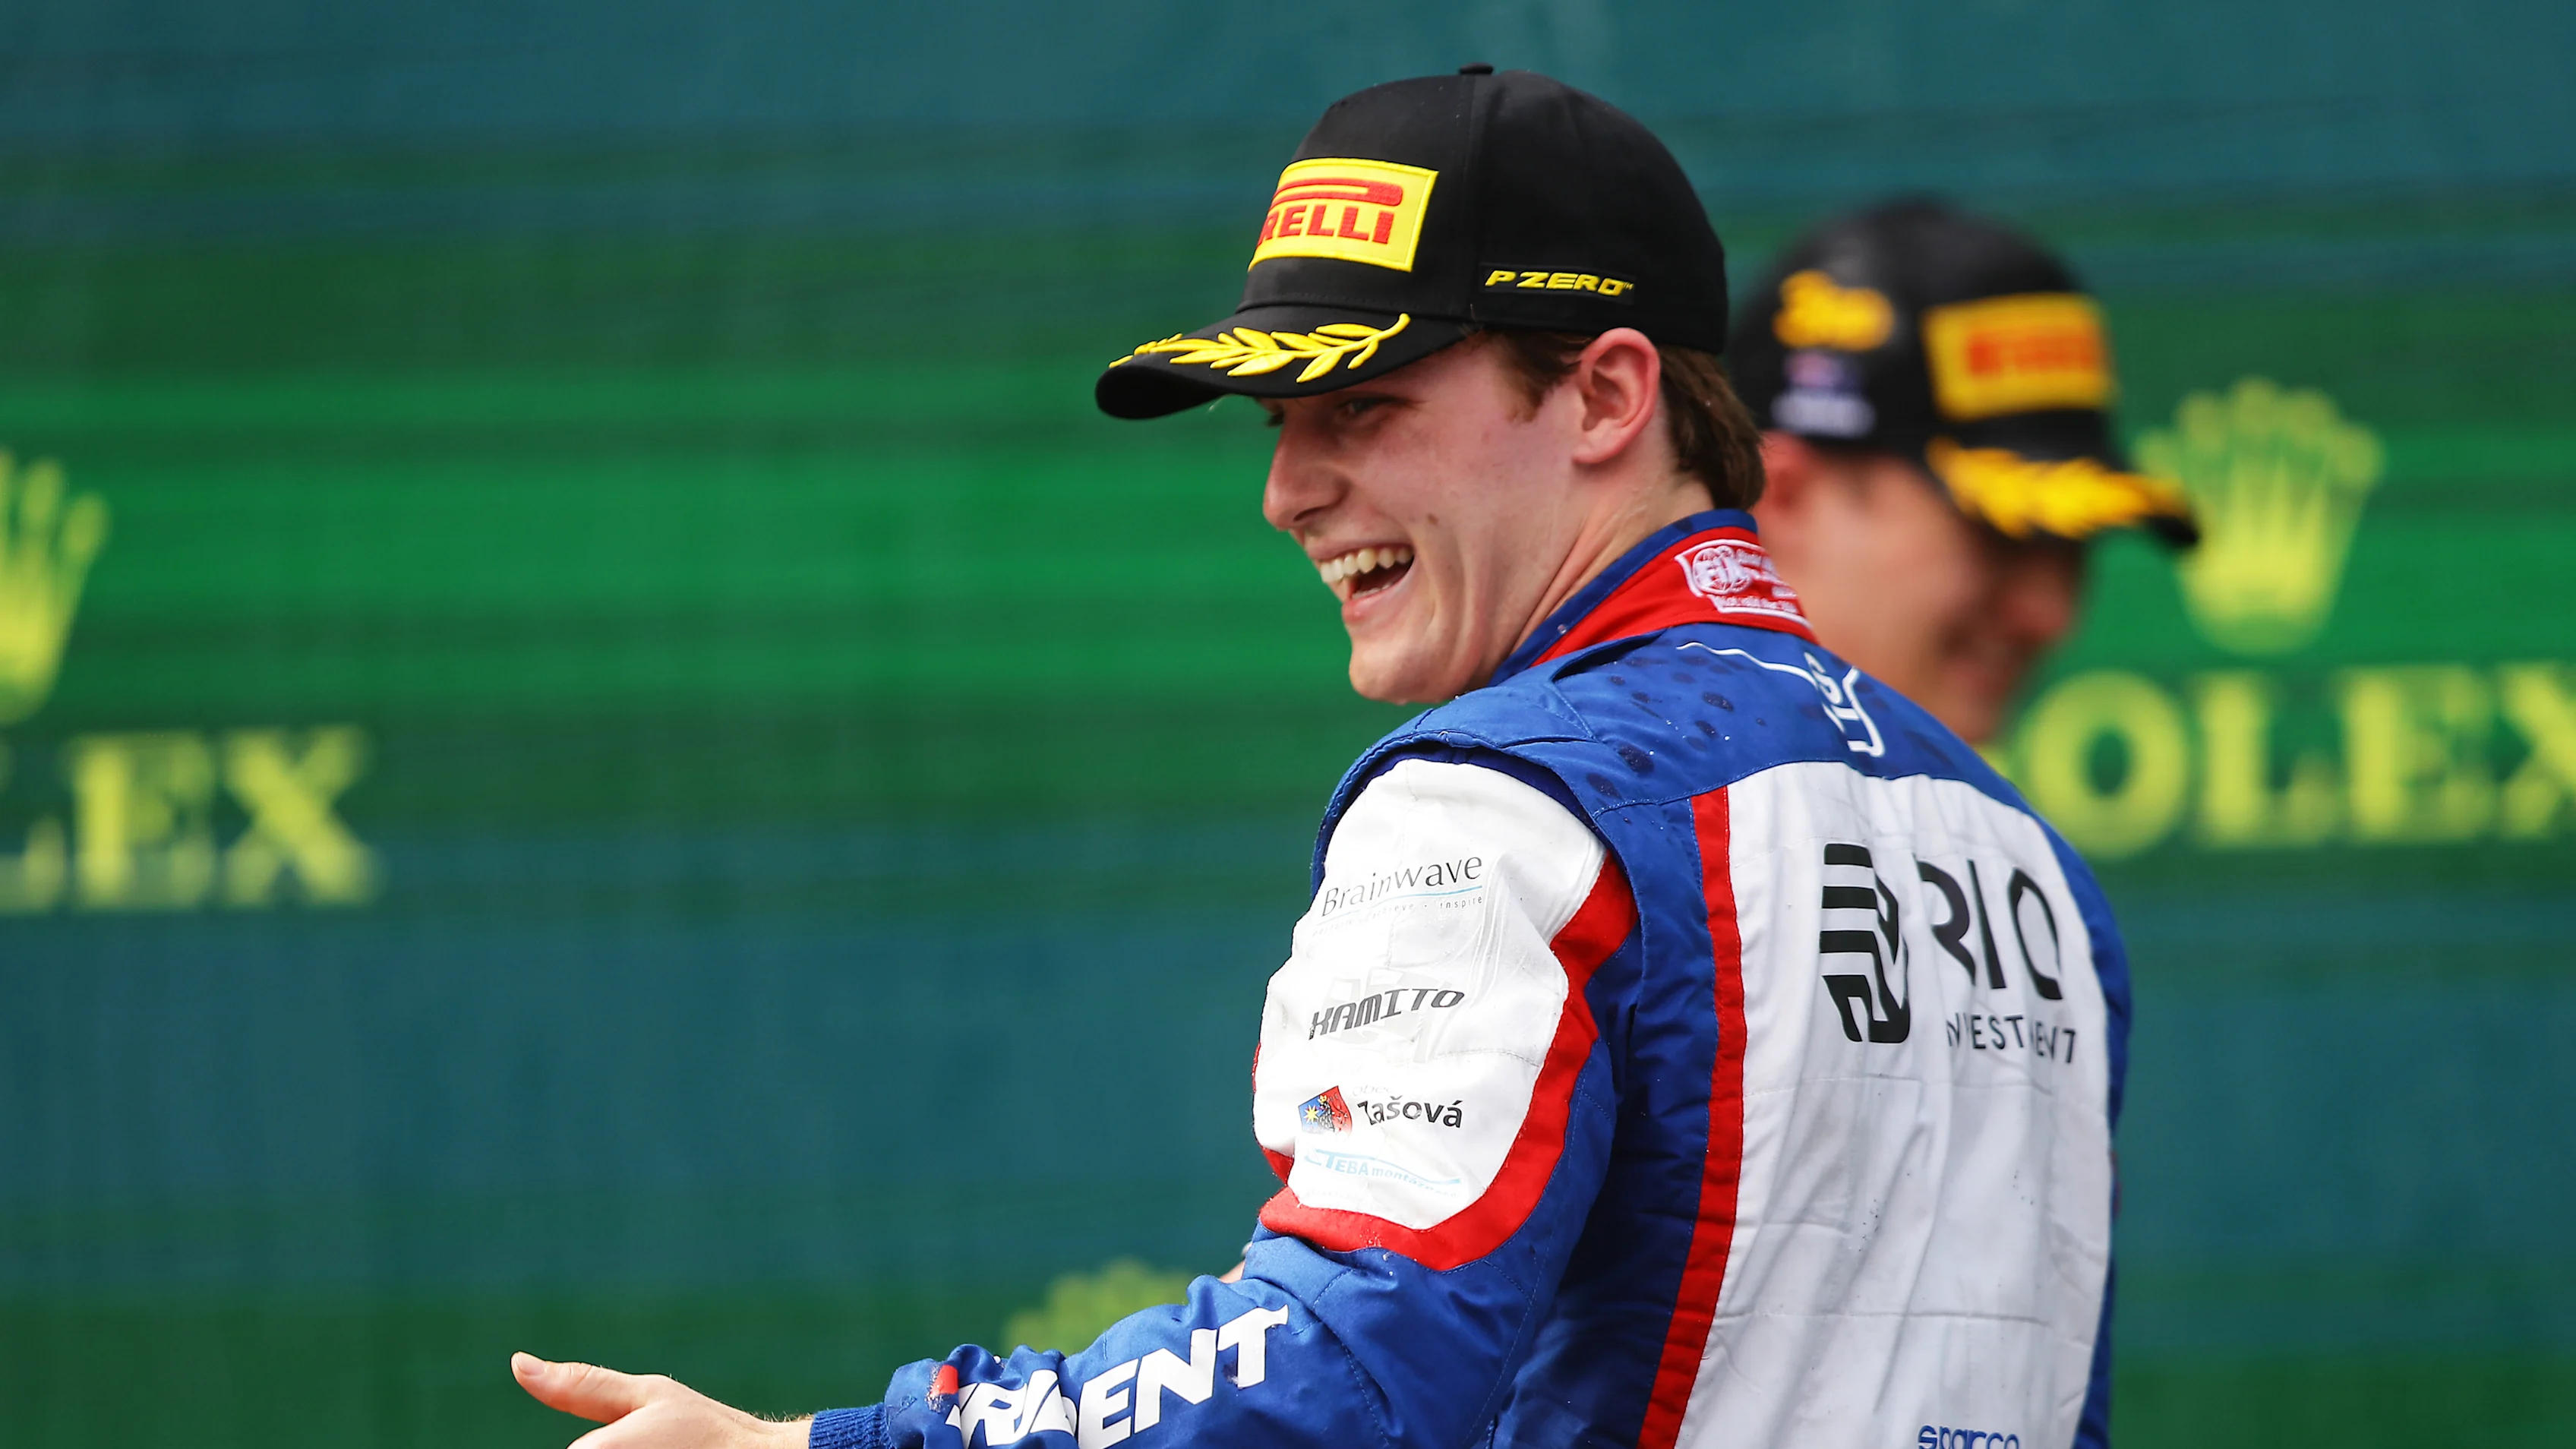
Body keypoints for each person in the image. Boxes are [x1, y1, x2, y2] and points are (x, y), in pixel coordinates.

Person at [511, 68, 2132, 1449]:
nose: (1288, 492)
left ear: (1605, 395)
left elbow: (1353, 1361)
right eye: (1279, 422)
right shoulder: (2019, 856)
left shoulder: (1510, 804)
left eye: (1360, 404)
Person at [1728, 200, 2198, 745]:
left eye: (2075, 547)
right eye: (2001, 535)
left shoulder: (1970, 823)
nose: (2051, 616)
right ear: (1783, 498)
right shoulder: (1632, 802)